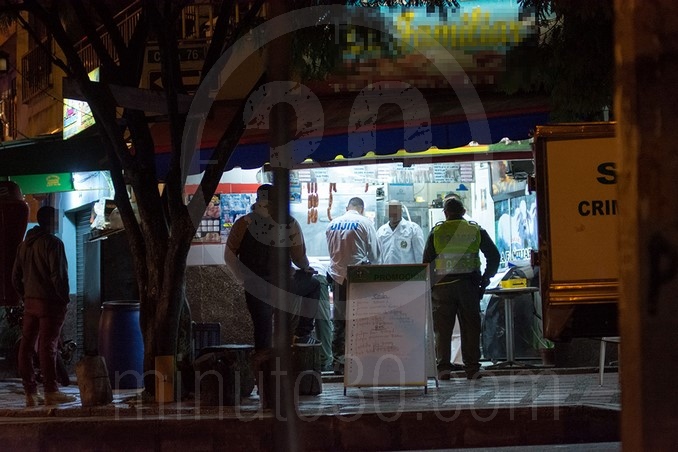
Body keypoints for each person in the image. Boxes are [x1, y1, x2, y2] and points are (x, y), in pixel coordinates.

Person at [225, 184, 321, 351]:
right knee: (314, 285)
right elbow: (299, 258)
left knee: (263, 337)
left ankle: (263, 365)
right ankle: (302, 334)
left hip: (256, 287)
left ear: (257, 200)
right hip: (284, 286)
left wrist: (243, 279)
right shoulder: (289, 223)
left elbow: (229, 256)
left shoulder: (242, 223)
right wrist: (306, 268)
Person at [423, 197, 500, 381]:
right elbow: (494, 256)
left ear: (445, 213)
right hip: (468, 287)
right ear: (464, 212)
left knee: (442, 330)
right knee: (470, 328)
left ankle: (443, 370)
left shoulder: (437, 232)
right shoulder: (475, 230)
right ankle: (472, 369)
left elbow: (427, 262)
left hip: (442, 289)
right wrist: (485, 279)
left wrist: (432, 286)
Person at [12, 206, 76, 407]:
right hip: (50, 304)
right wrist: (64, 299)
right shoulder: (53, 243)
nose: (58, 221)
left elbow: (15, 278)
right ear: (50, 220)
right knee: (48, 347)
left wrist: (25, 296)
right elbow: (59, 276)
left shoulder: (23, 246)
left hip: (30, 303)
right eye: (56, 218)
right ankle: (51, 391)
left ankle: (30, 393)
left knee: (26, 347)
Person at [325, 197, 380, 374]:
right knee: (361, 319)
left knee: (339, 320)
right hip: (359, 277)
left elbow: (332, 252)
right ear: (361, 209)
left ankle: (339, 363)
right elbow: (375, 255)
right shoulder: (365, 223)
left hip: (337, 277)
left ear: (347, 207)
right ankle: (361, 361)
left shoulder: (332, 224)